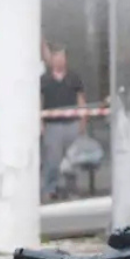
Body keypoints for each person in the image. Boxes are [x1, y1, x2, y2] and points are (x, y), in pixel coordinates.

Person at [40, 44, 86, 200]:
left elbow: (81, 100)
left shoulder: (74, 78)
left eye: (62, 56)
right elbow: (39, 101)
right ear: (51, 59)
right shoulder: (44, 80)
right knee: (52, 160)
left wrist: (82, 121)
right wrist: (40, 124)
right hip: (52, 125)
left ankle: (72, 189)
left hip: (72, 124)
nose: (59, 60)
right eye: (56, 56)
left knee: (72, 160)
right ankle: (50, 189)